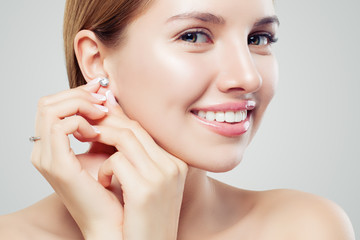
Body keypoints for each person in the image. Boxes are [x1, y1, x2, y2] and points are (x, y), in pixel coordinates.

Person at [0, 0, 355, 239]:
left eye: (258, 38)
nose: (248, 78)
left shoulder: (305, 227)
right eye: (193, 35)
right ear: (96, 60)